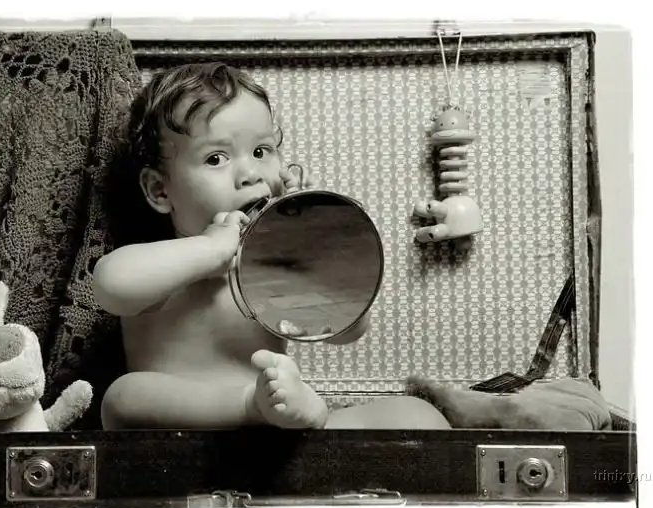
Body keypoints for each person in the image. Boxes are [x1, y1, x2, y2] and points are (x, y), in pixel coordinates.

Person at [94, 62, 450, 431]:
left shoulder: (275, 265)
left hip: (277, 421)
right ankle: (251, 407)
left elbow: (349, 330)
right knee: (123, 395)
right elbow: (111, 285)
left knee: (418, 415)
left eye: (261, 151)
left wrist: (312, 245)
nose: (251, 174)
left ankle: (297, 424)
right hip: (183, 432)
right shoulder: (165, 264)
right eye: (216, 158)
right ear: (160, 190)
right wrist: (211, 249)